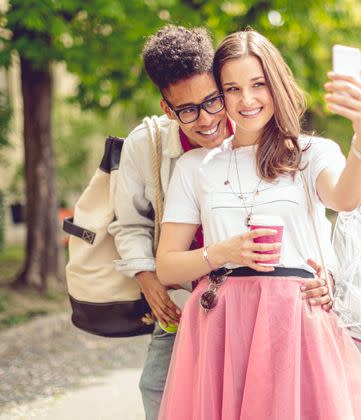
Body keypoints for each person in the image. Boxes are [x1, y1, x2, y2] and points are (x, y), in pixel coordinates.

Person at [156, 30, 361, 419]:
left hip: (295, 324)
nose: (247, 100)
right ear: (219, 95)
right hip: (222, 327)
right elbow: (166, 266)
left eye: (258, 84)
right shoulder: (195, 168)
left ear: (278, 84)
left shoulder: (310, 153)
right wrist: (222, 253)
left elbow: (345, 197)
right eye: (232, 89)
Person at [108, 25, 331, 420]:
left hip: (257, 297)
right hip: (189, 295)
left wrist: (327, 270)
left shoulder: (251, 125)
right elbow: (129, 223)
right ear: (167, 108)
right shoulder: (147, 145)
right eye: (188, 111)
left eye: (213, 100)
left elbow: (305, 209)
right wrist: (147, 276)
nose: (207, 119)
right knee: (161, 388)